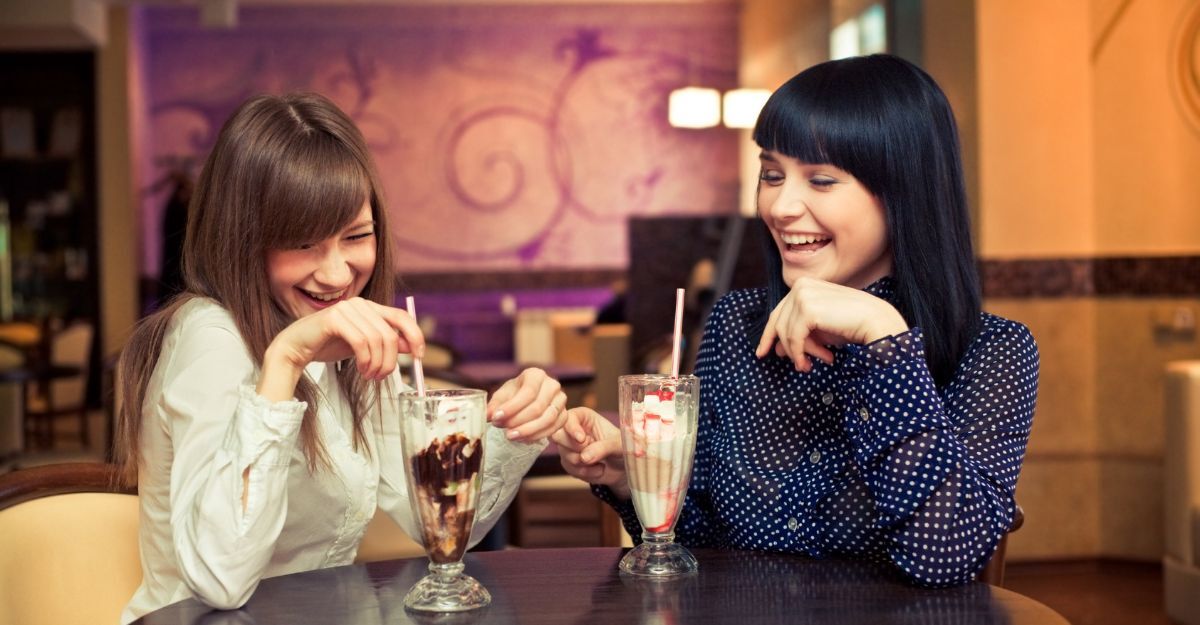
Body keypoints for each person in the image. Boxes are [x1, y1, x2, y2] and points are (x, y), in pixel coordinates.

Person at [554, 54, 1039, 587]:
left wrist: (883, 339)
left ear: (905, 191)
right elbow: (702, 544)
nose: (781, 207)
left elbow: (943, 555)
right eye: (772, 175)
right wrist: (631, 479)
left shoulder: (992, 350)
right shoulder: (736, 325)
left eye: (822, 179)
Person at [114, 93, 567, 623]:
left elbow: (434, 525)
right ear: (242, 240)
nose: (336, 275)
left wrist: (514, 427)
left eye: (356, 237)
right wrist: (286, 359)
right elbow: (219, 580)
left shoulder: (353, 340)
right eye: (302, 243)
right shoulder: (210, 336)